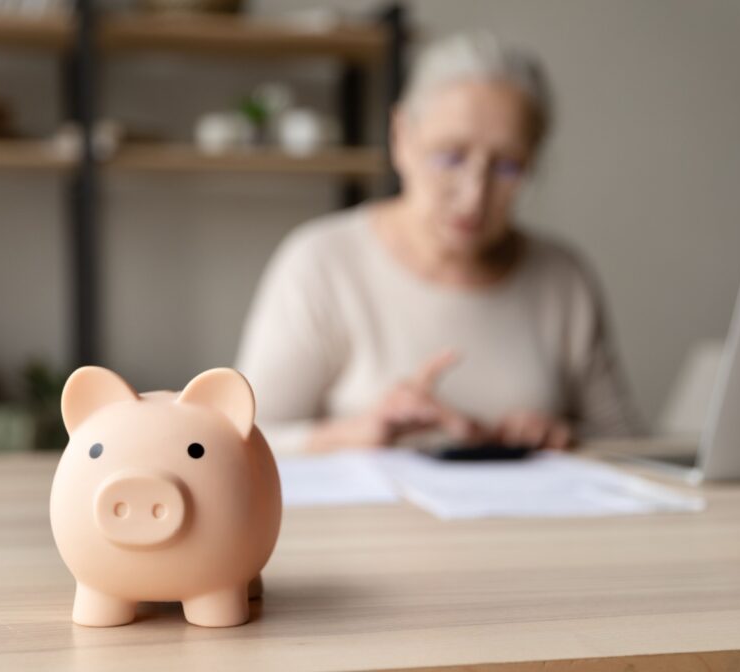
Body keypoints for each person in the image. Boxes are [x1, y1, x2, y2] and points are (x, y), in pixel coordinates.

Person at [236, 32, 641, 455]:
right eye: (450, 156)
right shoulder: (321, 263)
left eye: (507, 167)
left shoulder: (563, 277)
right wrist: (354, 434)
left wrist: (564, 438)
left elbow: (630, 446)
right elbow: (239, 440)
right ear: (400, 137)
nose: (474, 195)